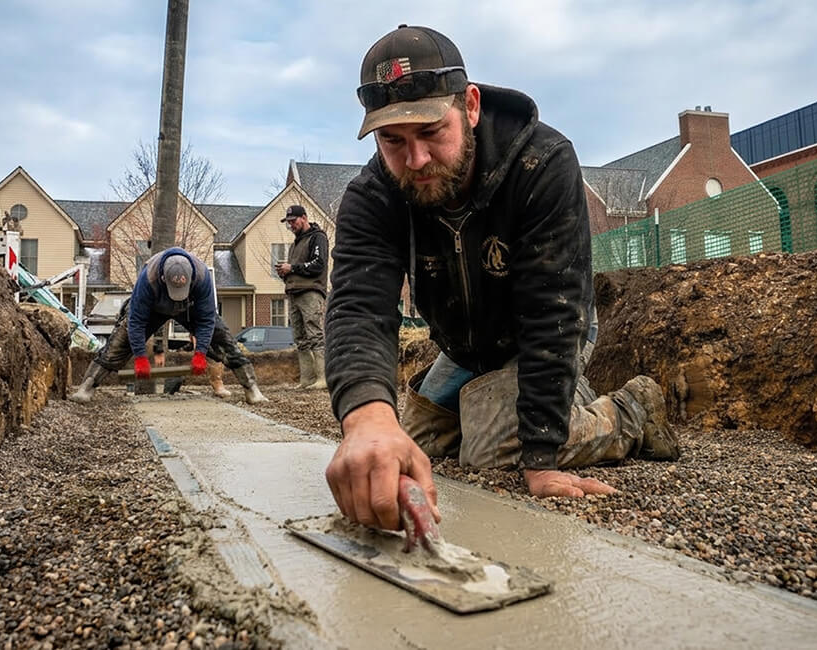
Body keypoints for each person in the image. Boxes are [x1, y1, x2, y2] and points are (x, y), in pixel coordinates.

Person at [323, 25, 681, 531]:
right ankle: (492, 403)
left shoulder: (541, 164)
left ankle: (630, 413)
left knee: (491, 451)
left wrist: (540, 457)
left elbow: (552, 312)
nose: (416, 160)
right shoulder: (372, 196)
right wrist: (367, 419)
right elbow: (359, 306)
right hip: (465, 347)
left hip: (545, 331)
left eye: (430, 132)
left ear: (469, 106)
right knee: (414, 448)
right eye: (393, 140)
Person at [71, 247, 216, 402]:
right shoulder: (148, 278)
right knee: (119, 342)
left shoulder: (202, 276)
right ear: (162, 278)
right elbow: (136, 321)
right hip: (153, 308)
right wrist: (140, 356)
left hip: (189, 306)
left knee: (220, 336)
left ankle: (246, 381)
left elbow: (207, 319)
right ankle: (87, 386)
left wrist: (200, 353)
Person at [275, 204, 329, 390]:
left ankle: (323, 378)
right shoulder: (296, 243)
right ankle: (307, 379)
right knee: (300, 337)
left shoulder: (317, 237)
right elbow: (298, 267)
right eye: (288, 222)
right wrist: (286, 274)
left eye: (293, 221)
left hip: (311, 292)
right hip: (294, 292)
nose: (291, 225)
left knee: (314, 333)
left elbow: (318, 264)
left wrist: (292, 268)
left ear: (304, 218)